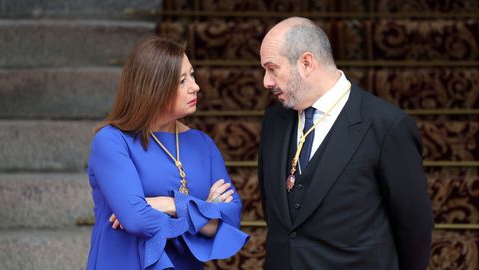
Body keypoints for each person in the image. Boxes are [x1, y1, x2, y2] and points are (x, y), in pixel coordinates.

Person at [258, 17, 434, 270]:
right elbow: (274, 213)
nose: (266, 81)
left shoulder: (386, 125)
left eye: (273, 68)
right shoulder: (274, 120)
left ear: (307, 62)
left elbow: (415, 226)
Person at [86, 36, 248, 270]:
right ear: (154, 88)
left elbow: (228, 219)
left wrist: (167, 204)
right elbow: (136, 220)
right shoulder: (112, 141)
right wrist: (203, 213)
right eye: (182, 80)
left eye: (192, 75)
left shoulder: (202, 144)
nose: (195, 86)